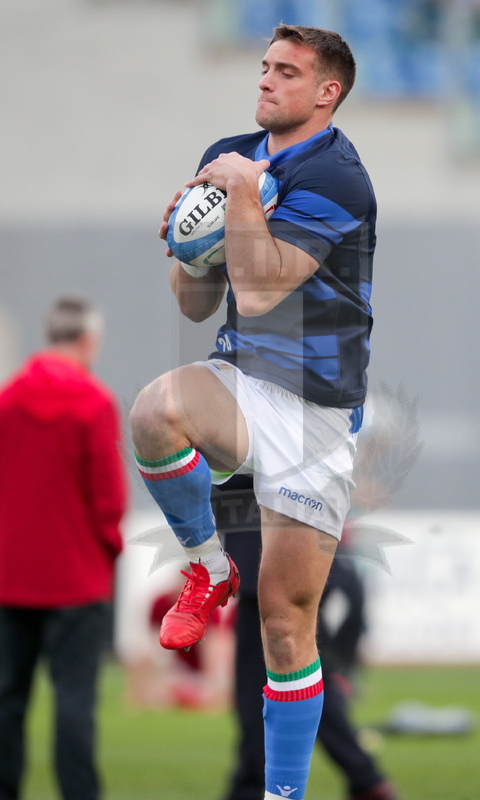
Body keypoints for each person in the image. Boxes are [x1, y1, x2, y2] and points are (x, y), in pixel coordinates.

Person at [129, 24, 376, 800]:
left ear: (326, 92)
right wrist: (183, 244)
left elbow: (266, 286)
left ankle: (283, 795)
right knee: (152, 412)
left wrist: (237, 191)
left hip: (315, 414)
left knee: (283, 623)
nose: (265, 81)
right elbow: (201, 304)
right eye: (264, 67)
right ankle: (206, 570)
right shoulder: (232, 149)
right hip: (241, 379)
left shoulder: (338, 178)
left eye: (286, 72)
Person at [0, 296, 127, 800]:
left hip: (11, 576)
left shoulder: (7, 401)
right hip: (78, 578)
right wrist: (110, 550)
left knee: (7, 699)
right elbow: (109, 497)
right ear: (88, 340)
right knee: (75, 702)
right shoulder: (95, 404)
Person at [213, 477, 397, 800]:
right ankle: (364, 778)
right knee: (300, 680)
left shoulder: (255, 439)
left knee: (266, 691)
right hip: (290, 563)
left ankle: (252, 785)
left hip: (272, 571)